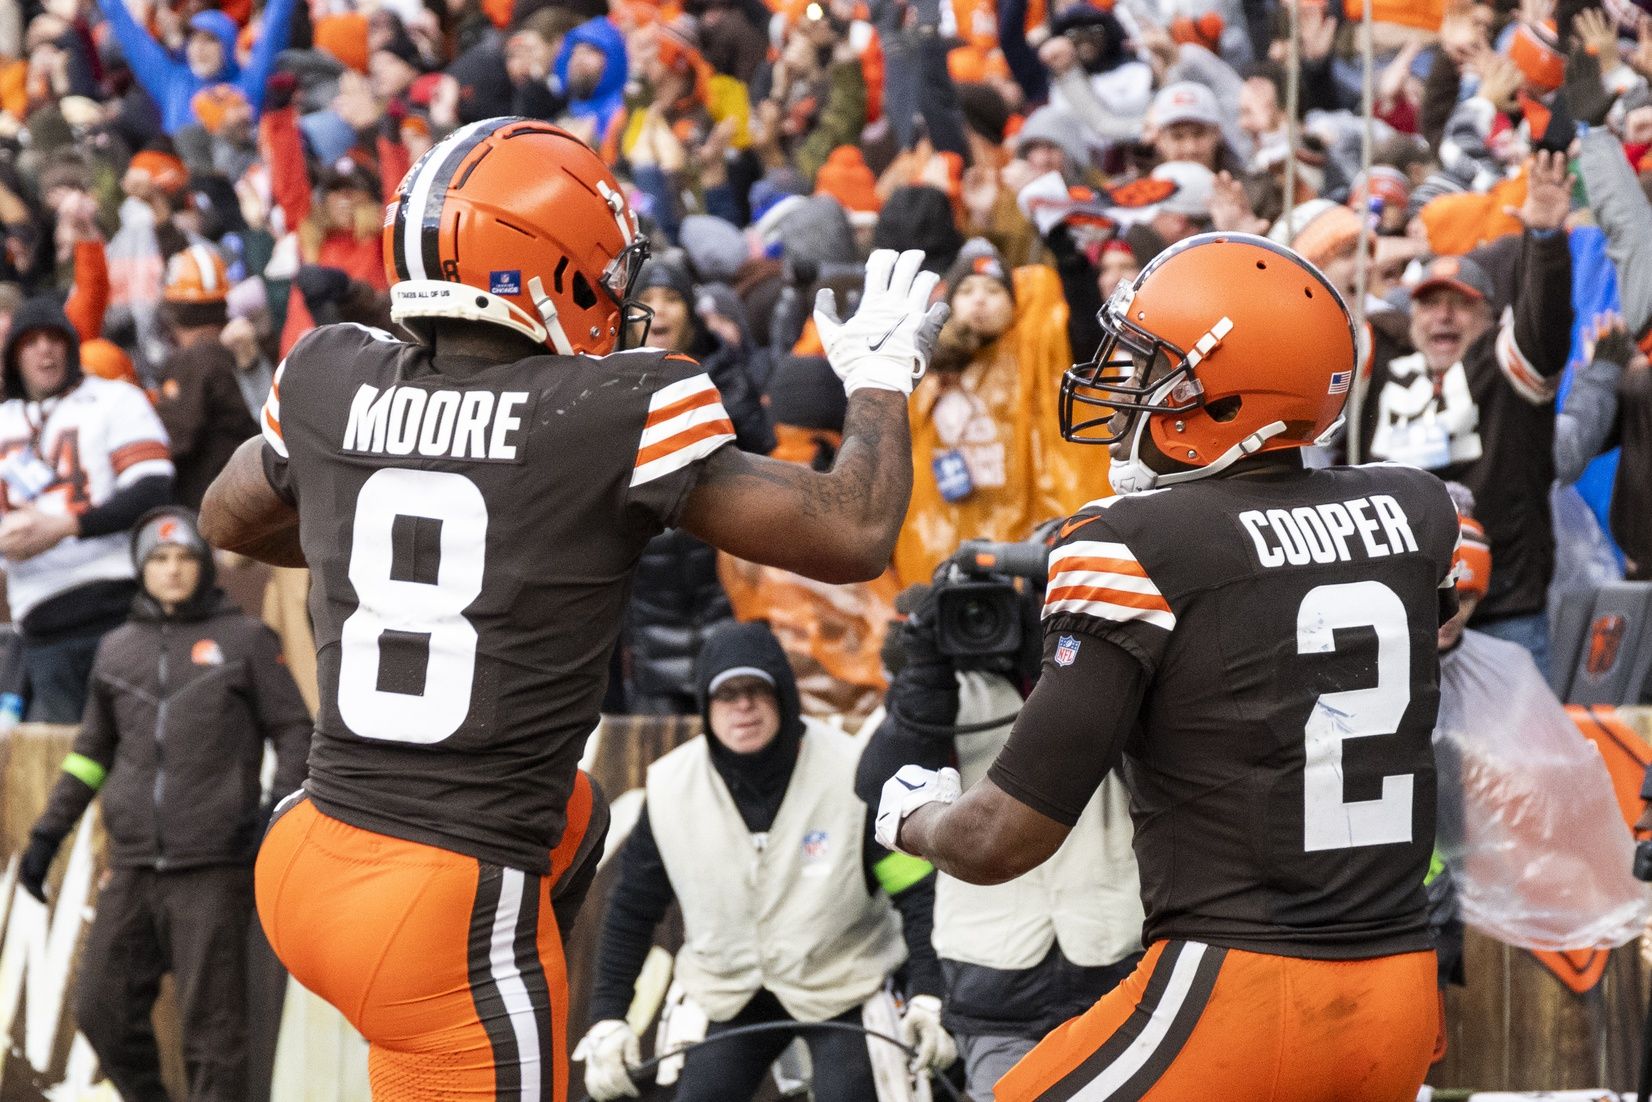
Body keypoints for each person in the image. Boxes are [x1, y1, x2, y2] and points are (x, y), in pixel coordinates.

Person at [198, 118, 947, 1100]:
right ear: (552, 267)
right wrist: (883, 384)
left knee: (574, 810)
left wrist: (410, 508)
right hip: (438, 903)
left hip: (305, 849)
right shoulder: (609, 410)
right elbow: (851, 534)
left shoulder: (332, 369)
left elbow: (225, 516)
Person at [872, 232, 1461, 1100]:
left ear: (1223, 395)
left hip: (1242, 985)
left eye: (1152, 366)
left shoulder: (1127, 543)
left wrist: (916, 818)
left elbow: (1003, 840)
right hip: (1400, 987)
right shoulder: (1416, 509)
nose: (1124, 386)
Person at [580, 621, 948, 1101]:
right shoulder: (671, 787)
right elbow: (633, 909)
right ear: (706, 707)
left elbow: (917, 893)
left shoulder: (855, 772)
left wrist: (929, 996)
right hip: (725, 991)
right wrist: (609, 1018)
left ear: (784, 697)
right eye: (726, 694)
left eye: (756, 689)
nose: (742, 706)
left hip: (844, 983)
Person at [18, 506, 311, 1102]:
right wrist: (46, 836)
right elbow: (90, 754)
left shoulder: (247, 640)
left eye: (185, 558)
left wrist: (273, 817)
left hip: (214, 869)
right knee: (101, 1008)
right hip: (131, 869)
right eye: (159, 559)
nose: (173, 570)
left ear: (203, 567)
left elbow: (297, 732)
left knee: (214, 1036)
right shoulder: (116, 648)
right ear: (140, 568)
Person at [0, 297, 174, 722]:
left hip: (118, 606)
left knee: (137, 751)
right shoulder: (4, 420)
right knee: (61, 766)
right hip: (40, 620)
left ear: (72, 346)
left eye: (55, 338)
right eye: (31, 341)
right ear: (13, 355)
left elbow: (153, 488)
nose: (45, 349)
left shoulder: (115, 399)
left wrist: (66, 526)